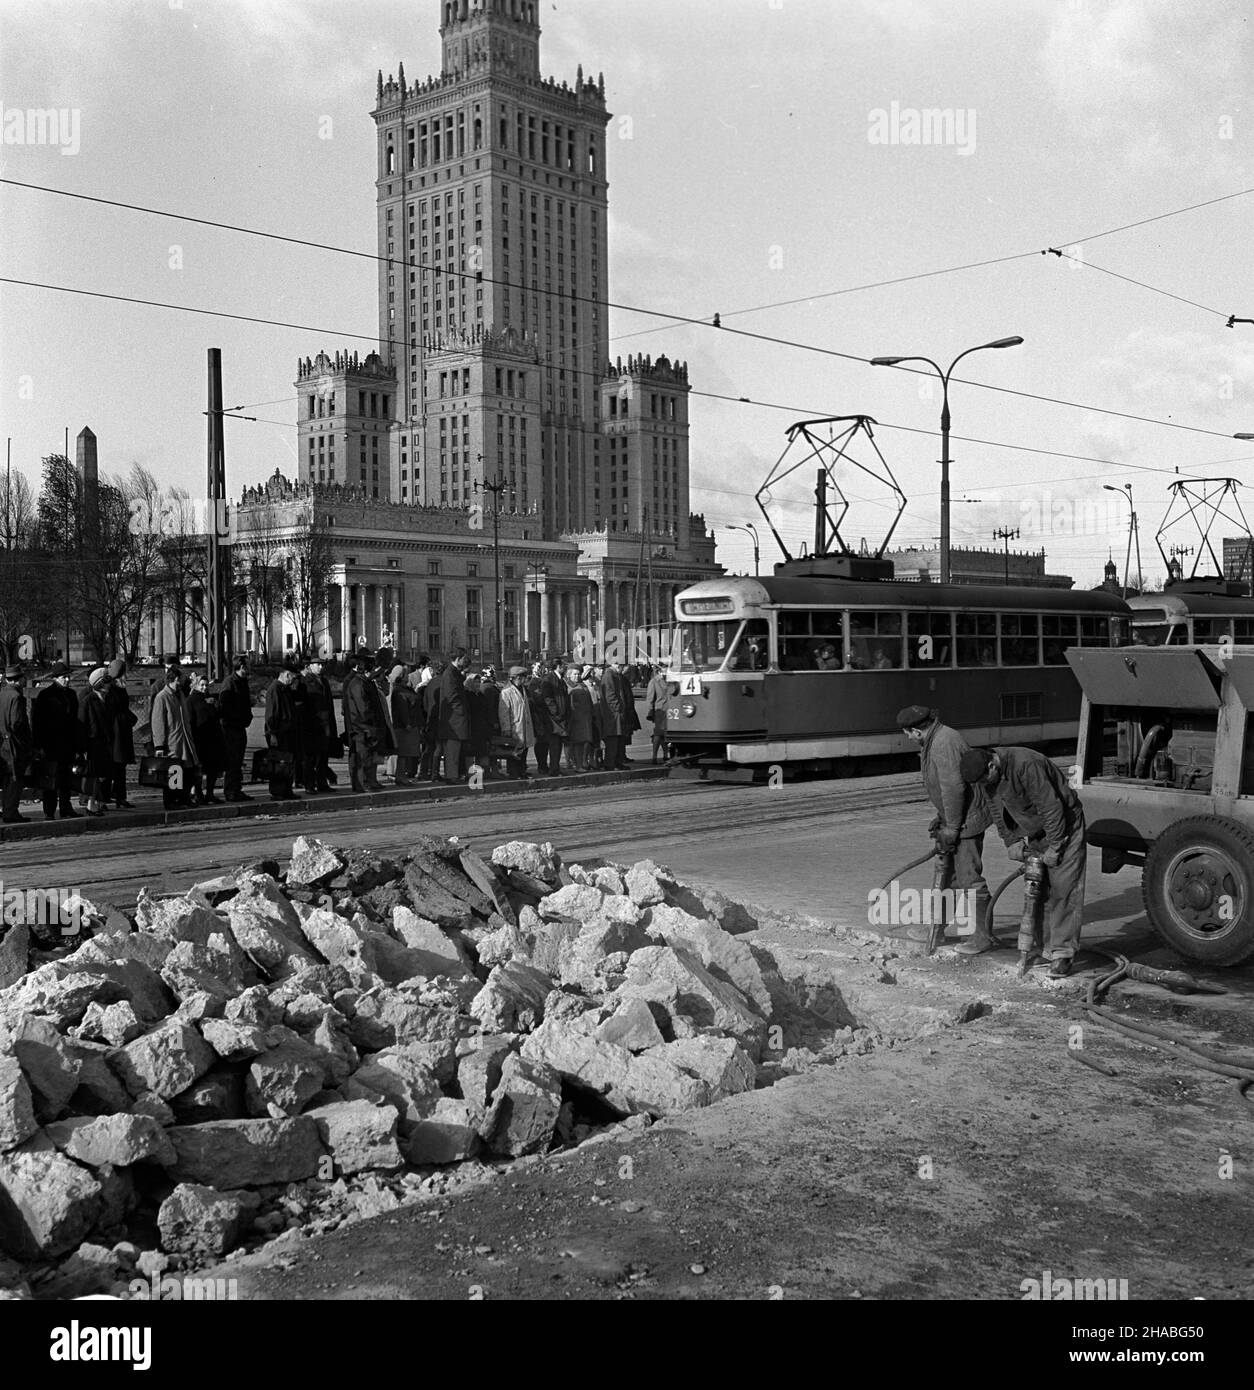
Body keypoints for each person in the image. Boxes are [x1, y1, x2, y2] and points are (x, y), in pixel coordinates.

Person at [958, 745, 1088, 978]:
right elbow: (994, 809)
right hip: (1036, 828)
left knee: (1064, 888)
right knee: (1039, 890)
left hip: (1064, 825)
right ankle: (1043, 948)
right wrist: (1010, 840)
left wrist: (1056, 846)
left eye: (984, 779)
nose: (984, 785)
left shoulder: (1027, 764)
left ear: (991, 765)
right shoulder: (989, 777)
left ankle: (1062, 953)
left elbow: (1052, 807)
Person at [897, 705, 994, 954]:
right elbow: (945, 788)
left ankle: (983, 937)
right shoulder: (936, 739)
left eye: (907, 733)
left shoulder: (943, 742)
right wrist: (941, 817)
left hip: (966, 822)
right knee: (949, 878)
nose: (907, 738)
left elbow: (954, 787)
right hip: (956, 818)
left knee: (969, 879)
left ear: (917, 731)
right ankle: (936, 929)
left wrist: (951, 826)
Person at [31, 664, 81, 820]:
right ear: (55, 678)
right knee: (51, 778)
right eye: (63, 677)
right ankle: (49, 810)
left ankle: (66, 807)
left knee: (66, 778)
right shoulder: (45, 696)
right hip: (51, 743)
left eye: (68, 677)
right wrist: (39, 745)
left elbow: (75, 721)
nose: (66, 680)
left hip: (68, 743)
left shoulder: (71, 694)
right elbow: (38, 722)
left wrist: (78, 744)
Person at [342, 651, 392, 791]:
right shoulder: (358, 684)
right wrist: (371, 722)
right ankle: (361, 784)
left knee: (369, 757)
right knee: (362, 758)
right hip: (362, 728)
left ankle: (369, 782)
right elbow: (363, 708)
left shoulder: (365, 682)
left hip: (367, 727)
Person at [150, 665, 198, 809]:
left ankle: (184, 798)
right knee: (173, 773)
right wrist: (159, 745)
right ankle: (171, 801)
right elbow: (158, 722)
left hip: (184, 741)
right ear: (176, 679)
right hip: (173, 743)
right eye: (181, 679)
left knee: (187, 771)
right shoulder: (162, 697)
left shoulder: (180, 695)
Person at [78, 667, 115, 818]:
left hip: (104, 743)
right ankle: (91, 805)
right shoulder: (88, 701)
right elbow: (82, 724)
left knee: (102, 775)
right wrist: (82, 747)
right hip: (93, 744)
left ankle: (97, 803)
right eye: (106, 682)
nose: (109, 685)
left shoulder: (107, 700)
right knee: (94, 775)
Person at [263, 660, 302, 801]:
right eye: (293, 677)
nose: (294, 680)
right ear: (286, 675)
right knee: (279, 764)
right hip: (279, 733)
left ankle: (287, 790)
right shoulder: (275, 689)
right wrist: (272, 733)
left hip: (288, 732)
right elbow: (271, 714)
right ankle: (278, 791)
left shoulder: (285, 689)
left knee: (288, 763)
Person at [218, 656, 254, 803]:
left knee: (238, 760)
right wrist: (239, 718)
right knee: (233, 761)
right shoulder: (230, 683)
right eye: (247, 665)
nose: (250, 668)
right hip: (231, 728)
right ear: (241, 667)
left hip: (239, 726)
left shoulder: (242, 682)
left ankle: (236, 789)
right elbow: (225, 706)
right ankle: (231, 791)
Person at [300, 654, 337, 793]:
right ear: (310, 666)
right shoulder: (305, 681)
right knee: (310, 757)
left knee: (323, 755)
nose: (320, 667)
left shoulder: (324, 681)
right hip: (312, 724)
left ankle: (322, 783)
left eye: (322, 664)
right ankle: (309, 784)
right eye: (317, 664)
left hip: (325, 724)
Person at [0, 664, 32, 823]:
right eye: (23, 677)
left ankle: (6, 808)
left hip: (3, 744)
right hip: (14, 744)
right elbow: (17, 723)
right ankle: (10, 811)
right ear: (18, 680)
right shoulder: (16, 697)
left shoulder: (3, 694)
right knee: (15, 779)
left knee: (7, 779)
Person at [104, 659, 137, 809]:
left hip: (121, 733)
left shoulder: (118, 689)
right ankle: (112, 796)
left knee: (119, 767)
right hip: (116, 734)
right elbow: (115, 712)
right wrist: (128, 717)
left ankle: (118, 796)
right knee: (114, 767)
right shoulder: (112, 690)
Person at [188, 672, 225, 803]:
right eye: (202, 685)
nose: (204, 688)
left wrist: (215, 705)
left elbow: (217, 715)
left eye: (206, 685)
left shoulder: (209, 699)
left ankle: (210, 793)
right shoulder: (192, 700)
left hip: (213, 738)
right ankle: (199, 794)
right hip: (200, 738)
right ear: (196, 685)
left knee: (212, 768)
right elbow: (191, 720)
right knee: (199, 769)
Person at [436, 649, 472, 784]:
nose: (465, 660)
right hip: (453, 720)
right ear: (458, 658)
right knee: (452, 750)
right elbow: (452, 696)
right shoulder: (450, 673)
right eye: (464, 658)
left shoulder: (453, 672)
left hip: (455, 719)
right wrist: (462, 711)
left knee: (455, 750)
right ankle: (451, 776)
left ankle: (453, 774)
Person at [497, 665, 535, 780]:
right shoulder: (506, 692)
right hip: (515, 726)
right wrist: (506, 728)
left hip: (524, 724)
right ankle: (514, 772)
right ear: (516, 677)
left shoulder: (523, 689)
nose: (525, 679)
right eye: (523, 677)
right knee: (514, 751)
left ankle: (522, 770)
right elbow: (504, 712)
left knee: (524, 750)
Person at [600, 659, 637, 770]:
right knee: (613, 739)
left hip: (617, 713)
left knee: (619, 739)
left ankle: (617, 762)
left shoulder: (615, 675)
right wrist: (619, 709)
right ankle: (610, 763)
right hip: (613, 715)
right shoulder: (609, 675)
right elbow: (610, 696)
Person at [389, 664, 423, 785]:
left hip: (412, 724)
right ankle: (400, 775)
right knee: (404, 753)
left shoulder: (405, 689)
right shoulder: (398, 691)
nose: (408, 676)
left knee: (408, 753)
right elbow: (402, 709)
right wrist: (407, 723)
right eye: (406, 674)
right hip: (405, 727)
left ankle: (402, 775)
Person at [565, 664, 595, 771]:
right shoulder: (569, 687)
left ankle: (582, 763)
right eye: (575, 674)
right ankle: (576, 765)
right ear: (569, 675)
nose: (577, 676)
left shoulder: (582, 685)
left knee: (583, 742)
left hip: (585, 719)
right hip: (576, 720)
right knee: (577, 743)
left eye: (578, 674)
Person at [644, 662, 670, 764]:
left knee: (665, 734)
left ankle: (665, 755)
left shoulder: (670, 680)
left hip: (670, 710)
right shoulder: (654, 682)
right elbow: (650, 698)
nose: (667, 671)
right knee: (658, 734)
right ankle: (654, 756)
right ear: (659, 671)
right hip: (660, 710)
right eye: (665, 669)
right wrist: (650, 712)